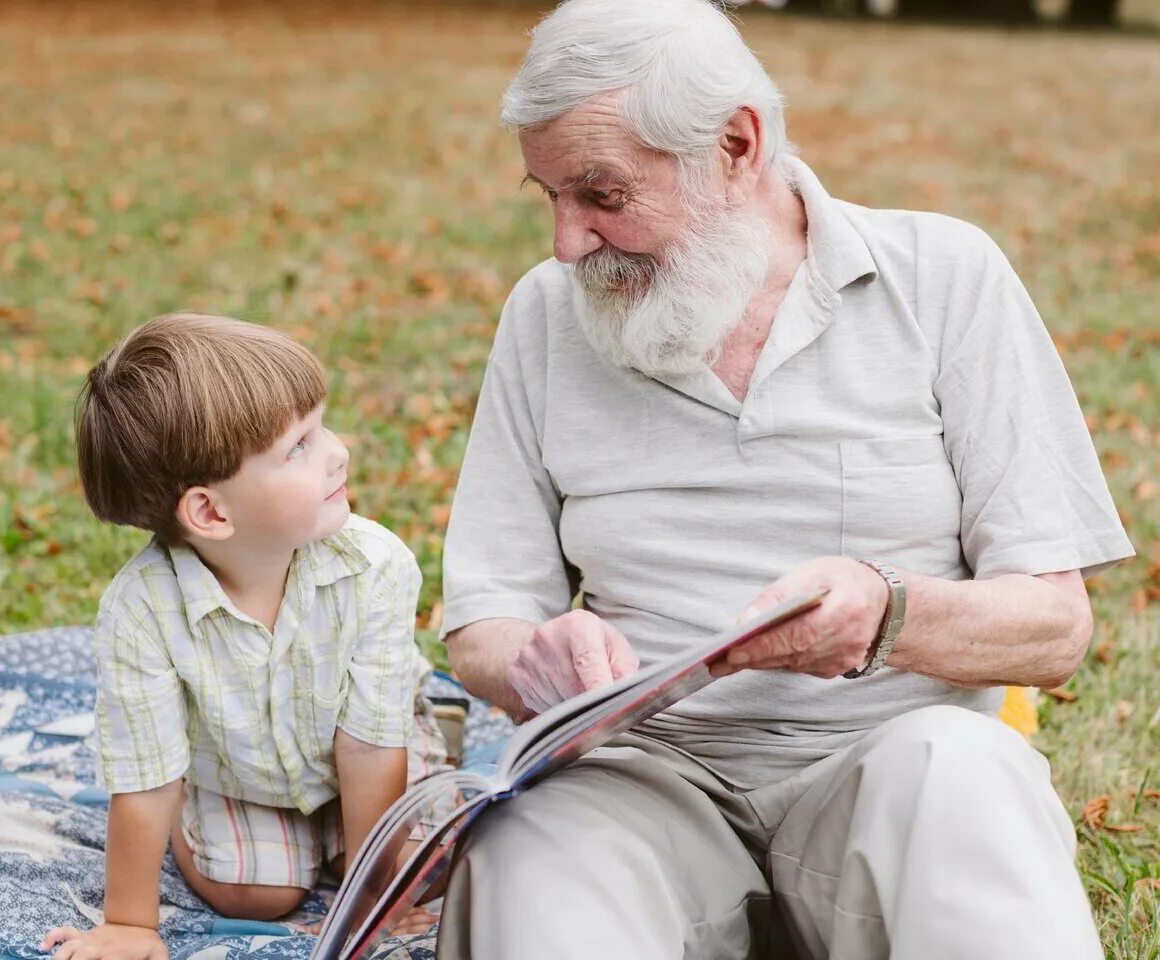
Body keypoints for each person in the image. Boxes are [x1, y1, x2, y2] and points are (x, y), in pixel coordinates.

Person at [438, 1, 1135, 957]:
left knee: (966, 779)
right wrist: (532, 658)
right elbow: (483, 618)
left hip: (892, 767)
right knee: (529, 856)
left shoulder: (943, 277)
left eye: (602, 195)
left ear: (736, 143)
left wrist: (890, 613)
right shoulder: (547, 316)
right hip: (644, 778)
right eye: (549, 196)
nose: (568, 242)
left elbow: (1055, 629)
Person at [42, 314, 449, 960]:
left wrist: (373, 900)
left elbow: (370, 749)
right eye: (300, 446)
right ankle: (198, 817)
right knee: (252, 891)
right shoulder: (142, 609)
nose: (338, 450)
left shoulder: (375, 566)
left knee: (429, 865)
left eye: (321, 427)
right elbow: (145, 778)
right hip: (244, 773)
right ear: (210, 512)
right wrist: (129, 922)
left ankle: (422, 742)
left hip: (365, 755)